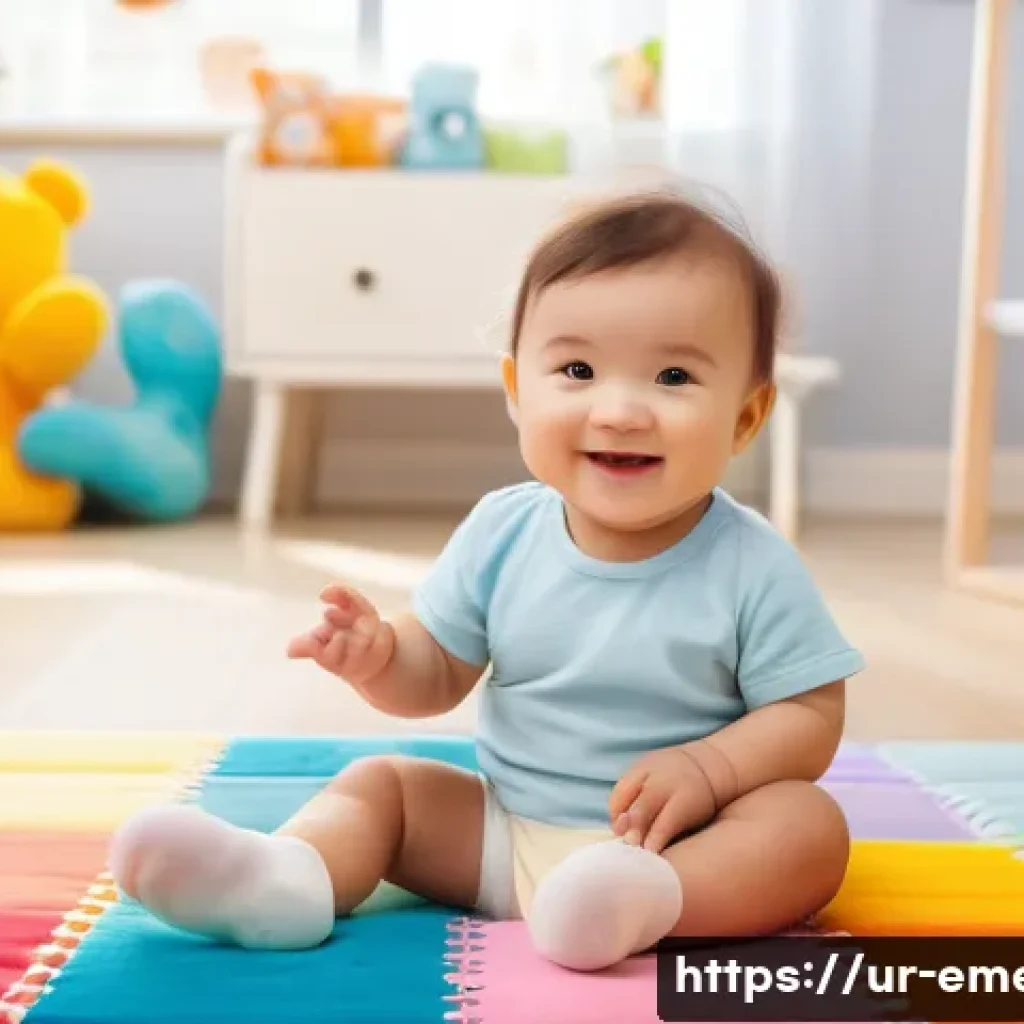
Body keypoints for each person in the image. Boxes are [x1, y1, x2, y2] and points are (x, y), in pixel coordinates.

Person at [109, 190, 865, 972]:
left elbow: (809, 713)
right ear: (516, 389)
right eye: (577, 369)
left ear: (745, 418)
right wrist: (380, 656)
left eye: (673, 376)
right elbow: (434, 673)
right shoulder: (504, 532)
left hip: (678, 846)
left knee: (806, 828)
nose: (620, 409)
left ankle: (645, 905)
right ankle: (286, 879)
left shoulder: (751, 562)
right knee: (384, 787)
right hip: (501, 835)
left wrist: (711, 772)